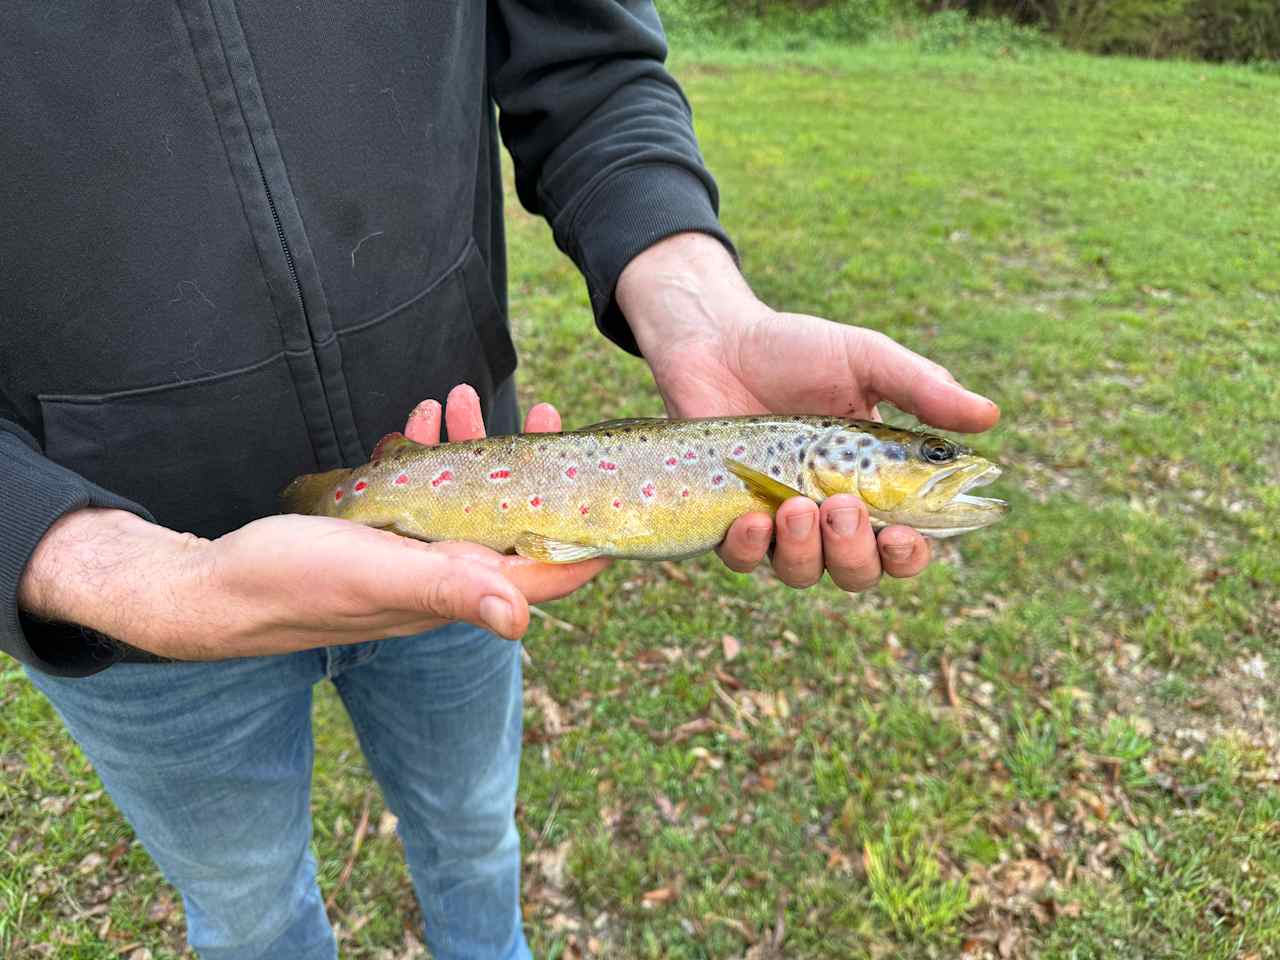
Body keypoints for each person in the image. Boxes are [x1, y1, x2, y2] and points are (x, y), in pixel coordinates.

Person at [1, 2, 999, 957]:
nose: (931, 470)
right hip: (123, 583)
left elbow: (588, 63)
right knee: (245, 910)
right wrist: (69, 549)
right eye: (919, 461)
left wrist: (694, 296)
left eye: (920, 461)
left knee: (475, 832)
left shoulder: (779, 467)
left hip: (474, 532)